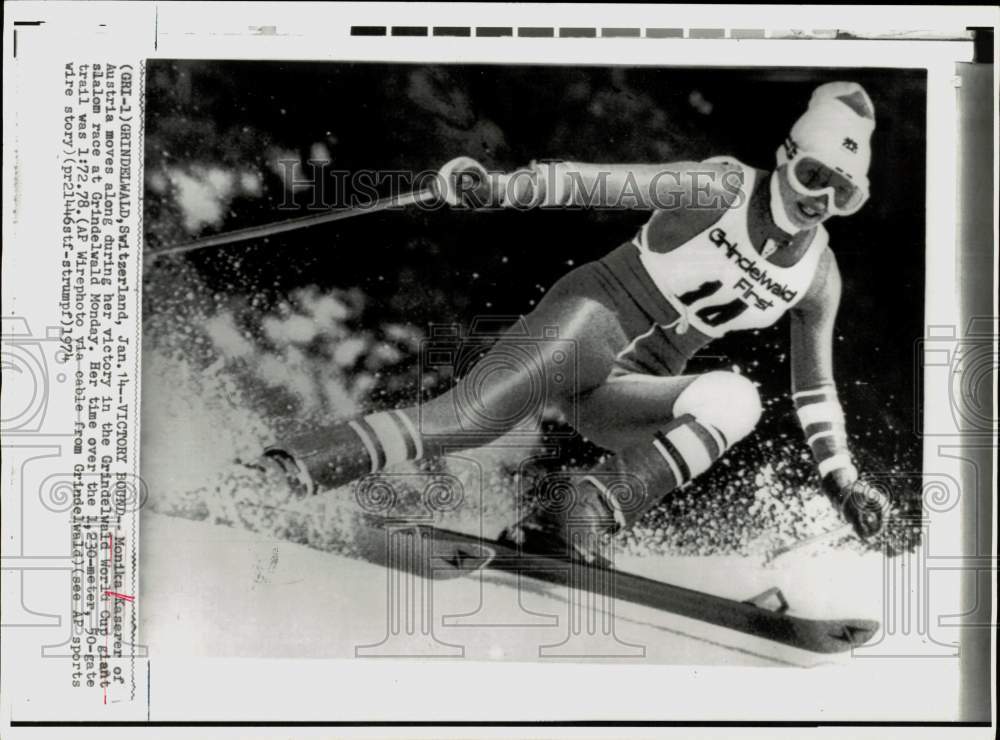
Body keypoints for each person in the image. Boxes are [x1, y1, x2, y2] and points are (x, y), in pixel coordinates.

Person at [253, 81, 891, 560]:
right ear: (786, 157)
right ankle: (282, 472)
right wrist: (499, 190)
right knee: (468, 421)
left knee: (739, 400)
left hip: (629, 389)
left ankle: (575, 513)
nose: (819, 200)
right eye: (813, 175)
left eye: (844, 193)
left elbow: (815, 390)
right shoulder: (720, 188)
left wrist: (844, 483)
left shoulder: (818, 276)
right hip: (590, 322)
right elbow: (602, 183)